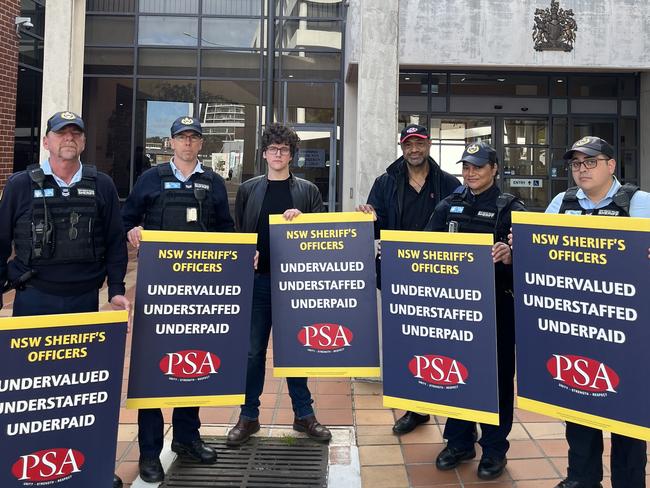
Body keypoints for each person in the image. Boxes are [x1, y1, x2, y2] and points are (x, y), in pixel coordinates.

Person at [0, 111, 129, 488]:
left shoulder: (101, 184)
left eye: (75, 133)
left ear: (84, 142)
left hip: (83, 302)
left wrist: (118, 290)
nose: (68, 139)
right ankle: (29, 469)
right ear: (46, 141)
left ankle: (86, 468)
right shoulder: (21, 184)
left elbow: (114, 243)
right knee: (32, 393)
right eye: (61, 133)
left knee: (79, 394)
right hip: (34, 299)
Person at [122, 116, 234, 482]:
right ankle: (150, 452)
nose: (187, 143)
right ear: (171, 143)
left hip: (199, 293)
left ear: (201, 144)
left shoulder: (213, 182)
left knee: (192, 364)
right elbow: (127, 219)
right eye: (182, 137)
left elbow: (227, 233)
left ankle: (186, 439)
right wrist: (133, 229)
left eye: (193, 138)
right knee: (152, 370)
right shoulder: (149, 180)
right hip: (158, 293)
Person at [543, 136, 649, 488]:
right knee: (579, 404)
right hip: (577, 325)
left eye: (590, 162)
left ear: (611, 165)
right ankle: (582, 478)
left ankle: (629, 482)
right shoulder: (562, 201)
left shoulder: (639, 202)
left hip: (627, 332)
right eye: (575, 164)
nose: (581, 170)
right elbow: (542, 252)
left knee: (627, 415)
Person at [226, 123, 331, 446]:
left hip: (293, 286)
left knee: (297, 350)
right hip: (258, 282)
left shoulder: (308, 192)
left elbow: (318, 239)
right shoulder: (248, 190)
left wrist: (303, 221)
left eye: (284, 150)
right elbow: (240, 233)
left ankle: (304, 414)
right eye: (273, 149)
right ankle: (248, 416)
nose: (278, 154)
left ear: (292, 155)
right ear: (264, 153)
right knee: (252, 352)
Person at [426, 142, 524, 480]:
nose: (470, 173)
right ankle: (459, 442)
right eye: (466, 167)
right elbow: (424, 251)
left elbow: (530, 267)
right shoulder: (447, 205)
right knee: (457, 373)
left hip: (498, 310)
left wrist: (511, 257)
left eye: (478, 167)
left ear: (494, 169)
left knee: (496, 381)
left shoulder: (511, 209)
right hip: (455, 312)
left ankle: (495, 450)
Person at [357, 123, 460, 435]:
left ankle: (453, 407)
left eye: (419, 144)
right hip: (397, 275)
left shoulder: (449, 183)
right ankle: (415, 409)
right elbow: (376, 228)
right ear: (402, 147)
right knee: (405, 343)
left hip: (439, 277)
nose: (414, 150)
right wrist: (368, 220)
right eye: (408, 145)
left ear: (427, 145)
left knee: (442, 344)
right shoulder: (386, 182)